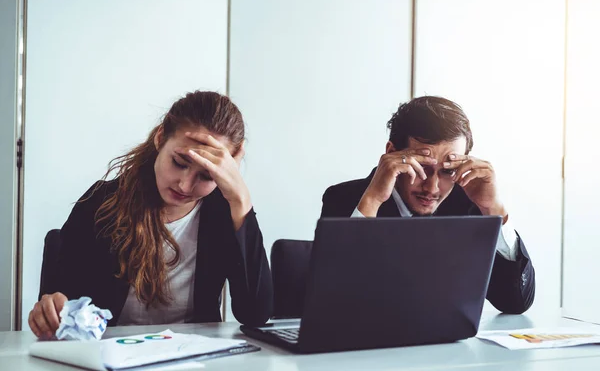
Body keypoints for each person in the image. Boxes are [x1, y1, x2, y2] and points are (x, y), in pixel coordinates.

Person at [29, 91, 273, 338]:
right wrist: (51, 308)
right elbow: (60, 303)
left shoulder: (224, 212)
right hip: (110, 355)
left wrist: (241, 200)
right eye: (179, 162)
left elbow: (255, 314)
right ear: (160, 138)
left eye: (207, 175)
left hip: (193, 357)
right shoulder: (100, 203)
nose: (185, 186)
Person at [320, 96, 535, 314]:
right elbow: (331, 298)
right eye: (422, 168)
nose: (432, 188)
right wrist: (373, 201)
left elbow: (515, 302)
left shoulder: (469, 204)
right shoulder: (344, 199)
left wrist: (494, 209)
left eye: (447, 171)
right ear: (392, 153)